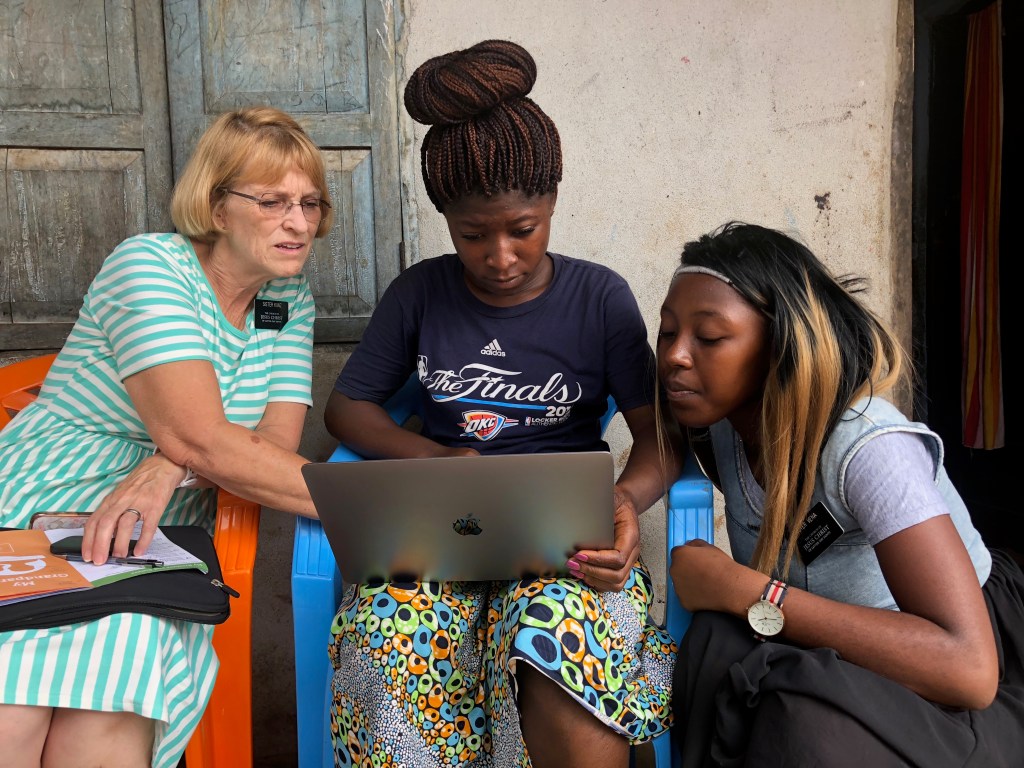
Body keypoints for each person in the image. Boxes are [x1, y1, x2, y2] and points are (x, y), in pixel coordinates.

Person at [323, 39, 683, 768]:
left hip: (567, 549)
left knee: (557, 639)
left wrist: (625, 500)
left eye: (523, 229)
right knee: (387, 634)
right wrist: (436, 458)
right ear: (445, 219)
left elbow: (662, 436)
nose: (500, 256)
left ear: (552, 202)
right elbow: (348, 409)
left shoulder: (599, 298)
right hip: (439, 542)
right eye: (471, 235)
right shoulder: (421, 294)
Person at [0, 106, 326, 768]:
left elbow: (269, 447)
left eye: (310, 203)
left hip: (160, 527)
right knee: (14, 703)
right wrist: (378, 507)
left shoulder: (289, 305)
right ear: (216, 205)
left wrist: (169, 465)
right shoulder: (150, 264)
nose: (298, 223)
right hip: (40, 498)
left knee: (118, 670)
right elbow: (204, 438)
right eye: (272, 202)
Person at [659, 221, 1024, 767]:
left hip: (938, 675)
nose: (675, 355)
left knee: (799, 725)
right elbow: (652, 439)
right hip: (819, 648)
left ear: (780, 346)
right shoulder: (720, 423)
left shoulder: (869, 447)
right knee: (711, 643)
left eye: (708, 337)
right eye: (667, 332)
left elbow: (968, 670)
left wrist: (751, 592)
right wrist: (625, 502)